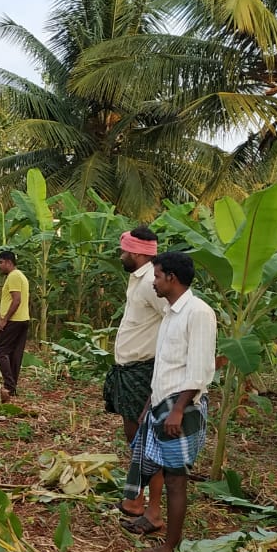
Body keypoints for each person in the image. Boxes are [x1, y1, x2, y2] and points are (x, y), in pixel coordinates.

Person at [122, 251, 217, 552]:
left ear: (171, 278)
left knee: (176, 481)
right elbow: (165, 365)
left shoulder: (198, 313)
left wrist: (177, 409)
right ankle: (165, 543)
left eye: (158, 275)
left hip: (181, 407)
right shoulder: (170, 314)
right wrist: (150, 402)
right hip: (162, 403)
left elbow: (200, 368)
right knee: (162, 470)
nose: (154, 281)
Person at [103, 226, 169, 534]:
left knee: (147, 441)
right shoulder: (139, 279)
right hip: (129, 370)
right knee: (136, 438)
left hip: (144, 370)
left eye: (125, 251)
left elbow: (173, 319)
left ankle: (151, 509)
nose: (121, 255)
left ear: (138, 253)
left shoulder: (152, 285)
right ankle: (135, 499)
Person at [0, 249, 30, 401]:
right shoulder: (21, 275)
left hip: (14, 320)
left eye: (1, 262)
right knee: (15, 354)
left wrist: (4, 319)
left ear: (9, 262)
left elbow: (16, 300)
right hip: (23, 319)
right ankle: (11, 388)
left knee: (1, 351)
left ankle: (9, 385)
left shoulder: (13, 276)